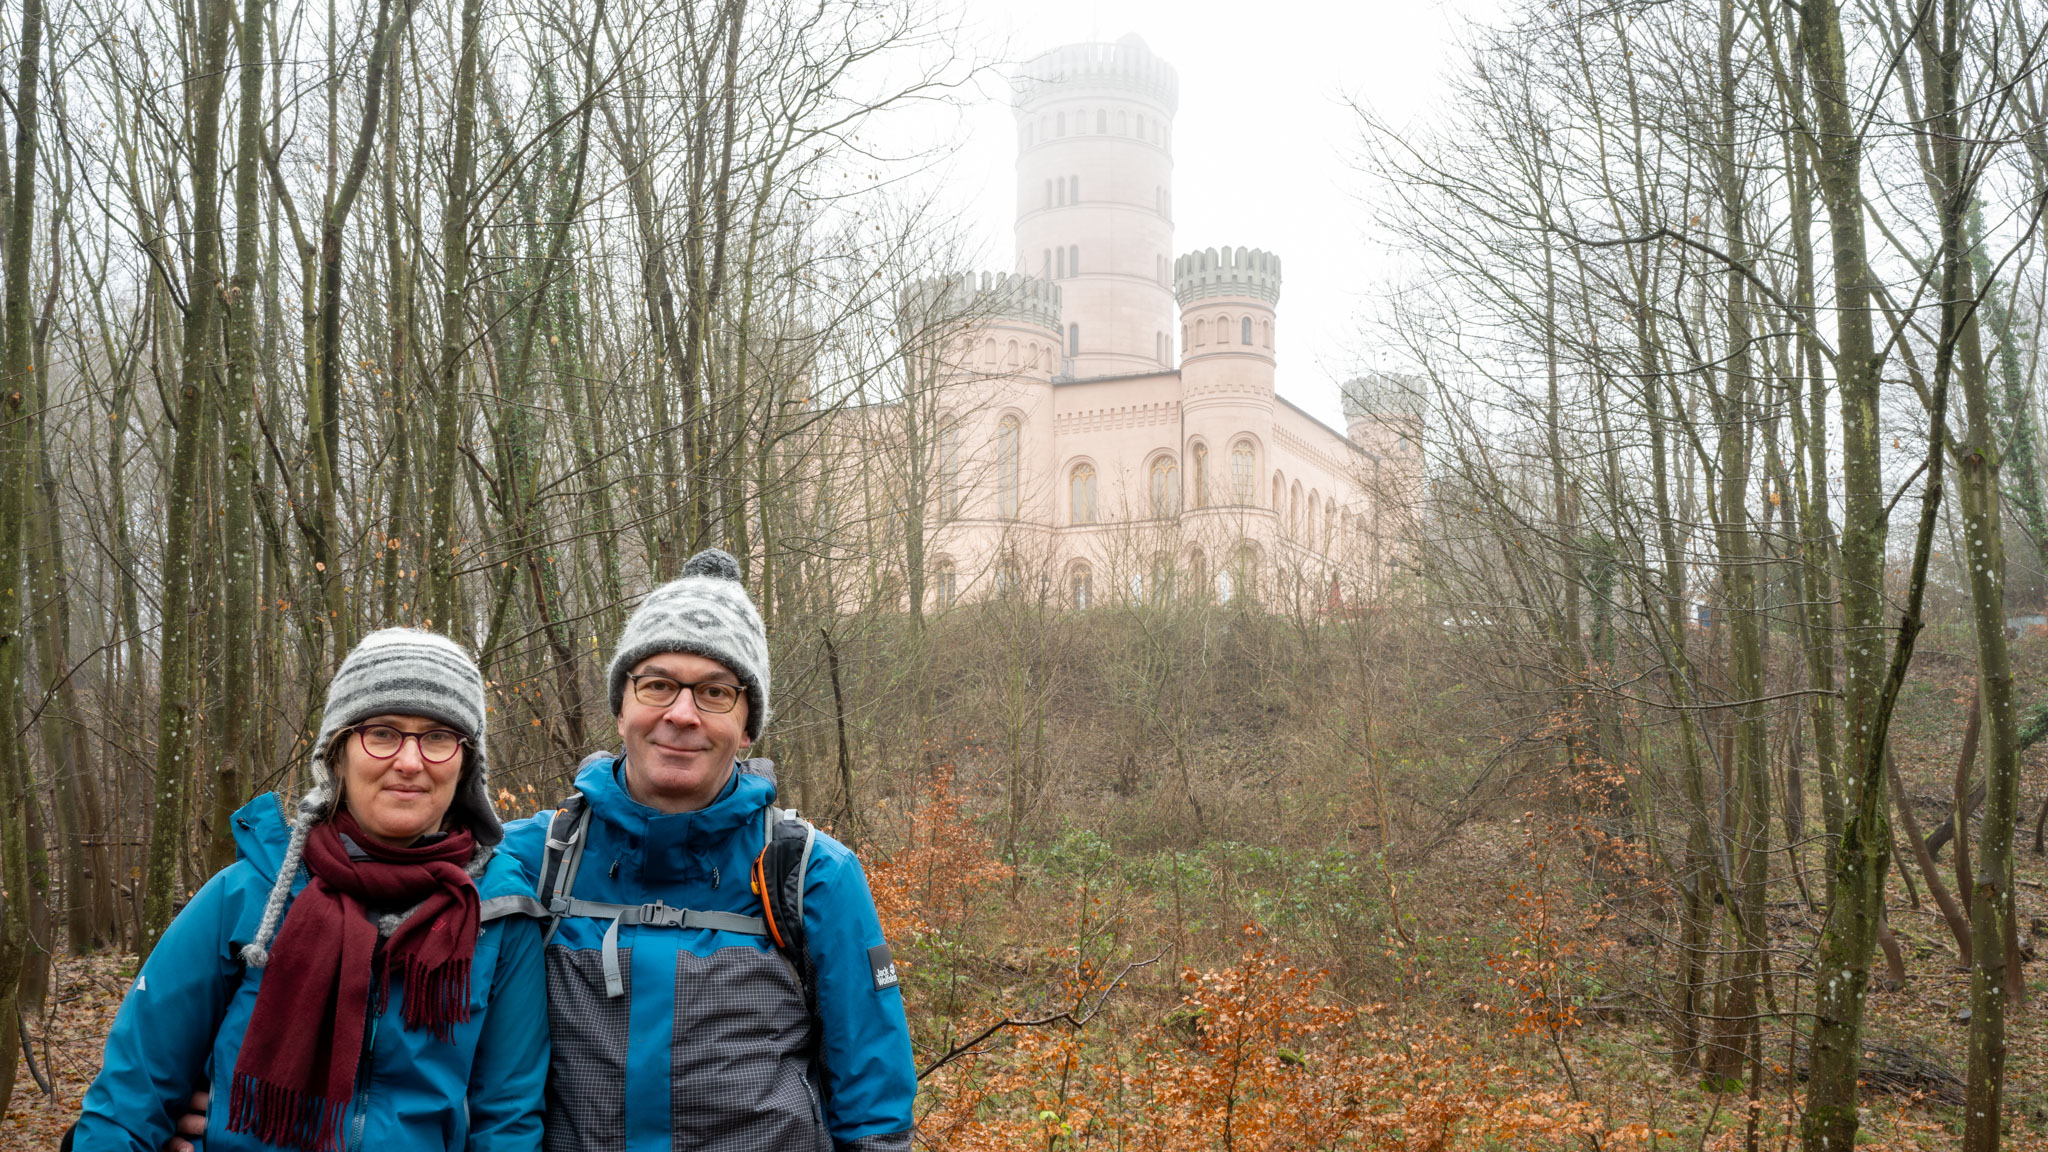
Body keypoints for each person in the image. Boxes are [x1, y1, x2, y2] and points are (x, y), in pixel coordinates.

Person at [499, 548, 915, 1152]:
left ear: (747, 726)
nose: (682, 714)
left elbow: (874, 1116)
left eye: (715, 692)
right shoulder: (534, 860)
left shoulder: (811, 874)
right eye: (658, 685)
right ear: (621, 707)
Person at [70, 628, 548, 1152]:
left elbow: (507, 1123)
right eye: (382, 732)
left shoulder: (499, 915)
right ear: (338, 753)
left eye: (437, 736)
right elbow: (128, 1100)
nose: (410, 761)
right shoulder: (247, 895)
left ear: (465, 764)